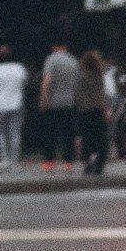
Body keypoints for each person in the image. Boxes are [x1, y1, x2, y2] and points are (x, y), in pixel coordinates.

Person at [39, 38, 84, 173]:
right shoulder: (73, 61)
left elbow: (47, 81)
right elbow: (78, 83)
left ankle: (49, 162)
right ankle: (68, 162)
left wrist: (43, 99)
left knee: (50, 133)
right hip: (70, 102)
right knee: (68, 133)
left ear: (54, 47)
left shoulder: (51, 60)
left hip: (53, 102)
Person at [0, 44, 28, 172]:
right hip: (17, 104)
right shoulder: (19, 68)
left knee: (0, 133)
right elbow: (24, 83)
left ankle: (4, 159)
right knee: (15, 132)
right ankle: (14, 161)